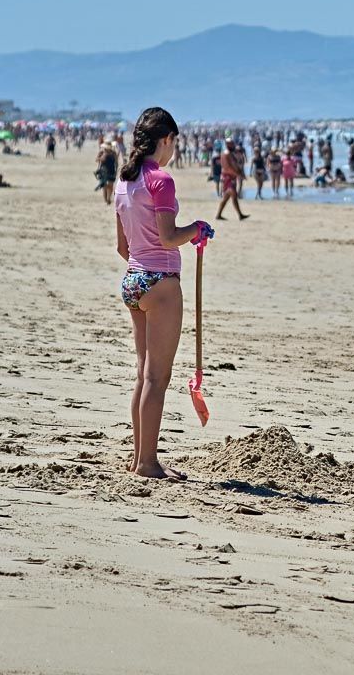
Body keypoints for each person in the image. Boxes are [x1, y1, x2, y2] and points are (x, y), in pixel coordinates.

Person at [114, 107, 214, 480]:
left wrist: (148, 260)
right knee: (157, 378)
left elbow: (122, 247)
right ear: (166, 139)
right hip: (160, 283)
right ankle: (147, 463)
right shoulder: (161, 180)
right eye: (174, 143)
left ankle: (139, 457)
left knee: (143, 376)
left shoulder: (123, 182)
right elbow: (170, 236)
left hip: (133, 280)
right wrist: (198, 228)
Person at [216, 139, 250, 221]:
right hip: (228, 177)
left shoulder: (229, 153)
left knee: (227, 198)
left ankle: (219, 215)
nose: (233, 145)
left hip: (231, 177)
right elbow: (228, 167)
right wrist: (238, 175)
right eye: (232, 144)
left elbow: (233, 165)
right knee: (233, 195)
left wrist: (239, 173)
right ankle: (240, 214)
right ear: (228, 145)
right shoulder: (227, 154)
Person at [96, 140, 119, 205]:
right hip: (103, 171)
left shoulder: (113, 153)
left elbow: (116, 162)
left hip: (111, 170)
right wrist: (102, 156)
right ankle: (106, 199)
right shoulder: (101, 152)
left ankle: (108, 199)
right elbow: (97, 159)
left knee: (110, 185)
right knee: (104, 186)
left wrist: (116, 170)